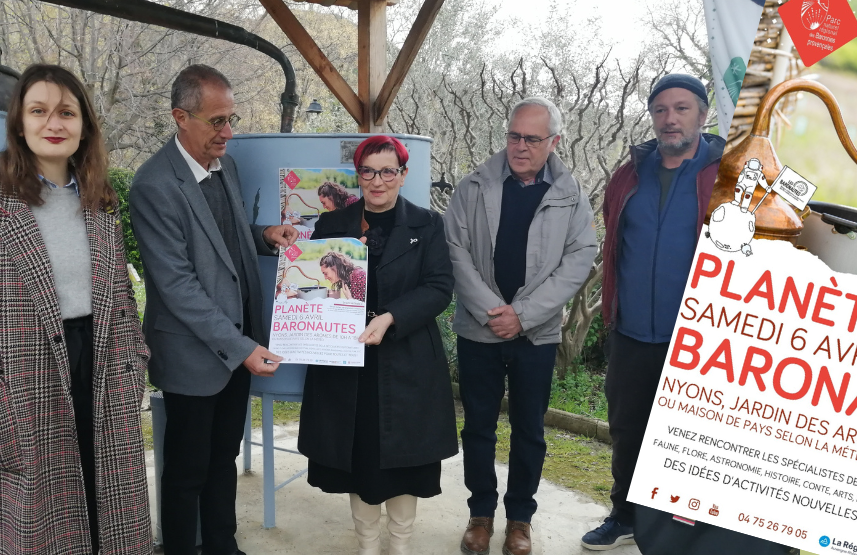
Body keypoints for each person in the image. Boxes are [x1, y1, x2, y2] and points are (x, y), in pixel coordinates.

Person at [130, 64, 298, 555]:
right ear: (181, 117)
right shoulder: (153, 186)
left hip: (237, 344)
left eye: (232, 119)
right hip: (194, 355)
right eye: (216, 121)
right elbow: (177, 284)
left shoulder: (227, 167)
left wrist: (264, 236)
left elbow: (221, 248)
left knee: (224, 457)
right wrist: (242, 347)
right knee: (186, 471)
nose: (228, 133)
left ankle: (223, 546)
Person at [0, 64, 153, 554]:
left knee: (106, 488)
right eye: (39, 111)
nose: (54, 124)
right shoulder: (4, 202)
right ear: (19, 123)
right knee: (46, 505)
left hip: (102, 362)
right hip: (26, 371)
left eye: (66, 112)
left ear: (83, 123)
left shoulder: (100, 201)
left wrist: (134, 364)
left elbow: (121, 297)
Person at [446, 97, 596, 555]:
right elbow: (455, 252)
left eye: (532, 139)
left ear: (553, 141)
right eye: (514, 136)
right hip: (479, 330)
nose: (521, 146)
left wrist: (523, 315)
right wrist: (495, 311)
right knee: (478, 428)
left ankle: (519, 521)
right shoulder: (472, 186)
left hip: (537, 335)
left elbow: (579, 259)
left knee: (529, 429)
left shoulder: (571, 195)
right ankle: (480, 514)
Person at [583, 74, 727, 549]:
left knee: (690, 438)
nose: (670, 119)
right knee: (628, 429)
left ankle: (682, 532)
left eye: (682, 108)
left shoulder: (729, 173)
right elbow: (614, 243)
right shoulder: (630, 174)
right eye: (661, 110)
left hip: (699, 340)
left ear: (703, 115)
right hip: (631, 333)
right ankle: (624, 515)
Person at [298, 135, 458, 555]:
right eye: (368, 171)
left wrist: (391, 317)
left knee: (406, 459)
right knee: (358, 458)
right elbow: (313, 283)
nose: (378, 180)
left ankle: (400, 545)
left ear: (403, 176)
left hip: (408, 361)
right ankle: (368, 545)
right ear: (358, 175)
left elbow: (440, 287)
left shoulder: (428, 224)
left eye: (388, 171)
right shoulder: (332, 226)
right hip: (346, 361)